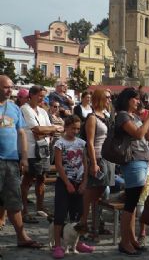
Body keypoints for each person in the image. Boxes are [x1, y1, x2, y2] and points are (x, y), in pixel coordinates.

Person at [115, 87, 149, 256]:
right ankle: (124, 242)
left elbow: (148, 137)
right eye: (135, 99)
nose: (138, 101)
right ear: (127, 100)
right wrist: (148, 116)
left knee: (133, 204)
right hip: (132, 160)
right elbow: (139, 134)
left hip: (142, 159)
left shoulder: (133, 116)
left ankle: (131, 238)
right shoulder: (123, 116)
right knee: (131, 203)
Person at [0, 75, 43, 249]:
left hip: (11, 160)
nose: (10, 90)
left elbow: (22, 133)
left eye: (11, 87)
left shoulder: (14, 108)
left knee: (14, 200)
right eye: (5, 87)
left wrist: (24, 156)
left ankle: (21, 236)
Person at [52, 115, 94, 258]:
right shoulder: (59, 143)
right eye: (72, 128)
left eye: (78, 128)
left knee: (78, 214)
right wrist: (67, 183)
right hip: (64, 183)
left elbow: (85, 163)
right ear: (66, 127)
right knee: (60, 214)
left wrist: (84, 182)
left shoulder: (81, 143)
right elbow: (58, 164)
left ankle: (77, 242)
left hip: (79, 182)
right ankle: (57, 245)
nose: (75, 131)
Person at [20, 85, 63, 223]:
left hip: (44, 149)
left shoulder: (43, 111)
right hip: (31, 150)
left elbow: (51, 129)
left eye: (43, 96)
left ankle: (40, 206)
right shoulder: (25, 109)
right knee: (28, 180)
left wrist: (48, 129)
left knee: (41, 179)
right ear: (31, 95)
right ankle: (24, 210)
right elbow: (37, 129)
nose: (42, 98)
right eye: (39, 96)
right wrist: (50, 129)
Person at [79, 89, 115, 241]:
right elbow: (90, 143)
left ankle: (95, 226)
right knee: (92, 194)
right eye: (107, 97)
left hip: (108, 158)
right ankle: (83, 225)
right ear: (100, 98)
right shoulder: (92, 118)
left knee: (101, 195)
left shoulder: (107, 116)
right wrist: (94, 163)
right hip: (99, 158)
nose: (109, 100)